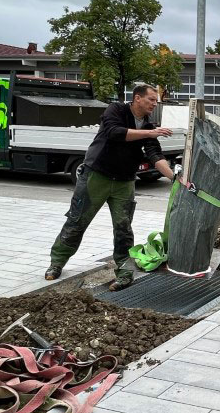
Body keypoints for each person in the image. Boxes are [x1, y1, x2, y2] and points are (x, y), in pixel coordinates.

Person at [46, 83, 175, 290]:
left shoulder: (150, 126)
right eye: (151, 99)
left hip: (124, 181)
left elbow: (155, 155)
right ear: (137, 98)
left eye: (156, 100)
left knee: (123, 228)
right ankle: (57, 262)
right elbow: (115, 132)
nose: (155, 103)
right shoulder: (116, 110)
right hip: (96, 176)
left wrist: (174, 178)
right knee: (77, 221)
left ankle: (124, 273)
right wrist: (149, 134)